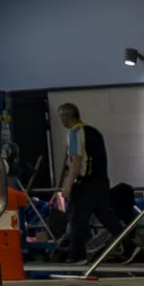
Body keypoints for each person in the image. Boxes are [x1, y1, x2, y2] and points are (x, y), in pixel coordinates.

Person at [58, 101, 113, 260]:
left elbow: (76, 162)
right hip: (101, 181)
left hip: (86, 183)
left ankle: (76, 256)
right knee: (107, 218)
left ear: (68, 116)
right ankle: (130, 245)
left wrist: (67, 186)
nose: (61, 121)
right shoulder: (94, 132)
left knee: (77, 219)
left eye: (61, 117)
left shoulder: (75, 133)